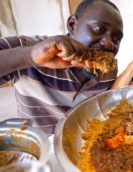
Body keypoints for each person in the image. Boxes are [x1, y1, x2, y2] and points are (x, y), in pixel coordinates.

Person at [0, 0, 123, 134]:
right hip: (37, 148)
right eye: (99, 29)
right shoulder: (30, 48)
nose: (110, 43)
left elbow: (105, 107)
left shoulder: (108, 70)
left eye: (116, 38)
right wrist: (30, 56)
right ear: (72, 25)